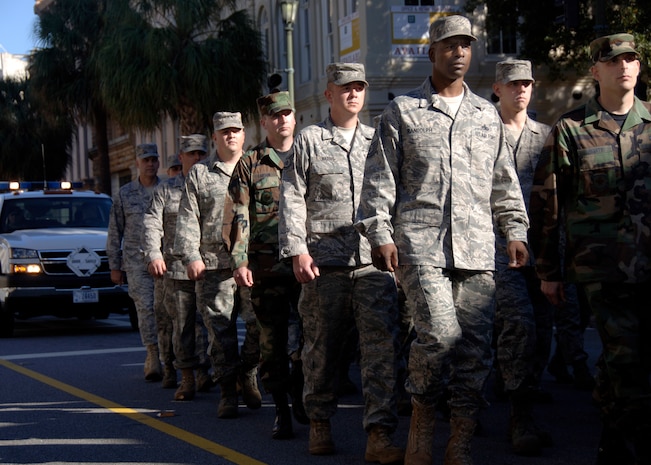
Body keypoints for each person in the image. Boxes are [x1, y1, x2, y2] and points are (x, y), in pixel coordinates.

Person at [355, 15, 530, 465]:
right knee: (438, 335)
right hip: (420, 245)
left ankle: (462, 438)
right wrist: (379, 232)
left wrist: (514, 230)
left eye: (465, 46)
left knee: (473, 349)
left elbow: (503, 182)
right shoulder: (402, 111)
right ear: (431, 52)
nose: (458, 53)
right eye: (448, 45)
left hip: (476, 249)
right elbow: (379, 182)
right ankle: (421, 418)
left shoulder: (487, 115)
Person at [529, 33, 651, 465]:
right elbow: (547, 204)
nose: (624, 67)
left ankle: (614, 440)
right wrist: (548, 271)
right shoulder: (571, 129)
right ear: (596, 71)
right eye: (614, 61)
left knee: (629, 365)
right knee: (626, 360)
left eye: (631, 59)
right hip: (604, 270)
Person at [279, 62, 403, 462]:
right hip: (325, 265)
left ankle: (380, 433)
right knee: (322, 351)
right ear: (329, 94)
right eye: (344, 87)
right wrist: (296, 249)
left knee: (381, 350)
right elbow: (292, 199)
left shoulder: (378, 139)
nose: (353, 93)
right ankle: (319, 422)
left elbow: (394, 198)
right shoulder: (310, 140)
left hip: (372, 264)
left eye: (359, 87)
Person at [225, 91, 308, 440]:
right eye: (275, 115)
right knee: (271, 340)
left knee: (313, 337)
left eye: (287, 113)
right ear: (264, 121)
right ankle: (282, 411)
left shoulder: (309, 153)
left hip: (307, 264)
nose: (283, 120)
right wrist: (239, 259)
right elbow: (239, 214)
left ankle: (302, 387)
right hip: (267, 265)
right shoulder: (251, 162)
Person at [174, 112, 261, 419]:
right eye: (224, 132)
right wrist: (191, 256)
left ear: (244, 134)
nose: (230, 136)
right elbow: (187, 218)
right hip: (213, 267)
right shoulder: (200, 173)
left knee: (259, 327)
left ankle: (247, 372)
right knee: (220, 335)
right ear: (214, 137)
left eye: (235, 130)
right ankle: (227, 392)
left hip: (252, 266)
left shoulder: (257, 167)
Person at [491, 58, 554, 456]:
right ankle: (519, 416)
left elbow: (555, 201)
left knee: (542, 332)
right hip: (497, 251)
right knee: (518, 327)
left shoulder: (545, 135)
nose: (521, 90)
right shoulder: (483, 132)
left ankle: (520, 387)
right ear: (498, 88)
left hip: (541, 251)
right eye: (513, 84)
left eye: (527, 84)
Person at [142, 135, 213, 400]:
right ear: (180, 157)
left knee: (209, 323)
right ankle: (185, 376)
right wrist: (153, 254)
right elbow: (151, 223)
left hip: (210, 267)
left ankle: (207, 371)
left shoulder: (214, 185)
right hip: (176, 269)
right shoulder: (166, 189)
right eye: (191, 154)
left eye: (201, 154)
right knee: (181, 325)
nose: (196, 158)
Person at [107, 143, 162, 382]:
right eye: (145, 160)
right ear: (137, 163)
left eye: (153, 159)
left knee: (167, 312)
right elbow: (114, 231)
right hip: (136, 263)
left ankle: (170, 358)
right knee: (147, 309)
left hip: (165, 262)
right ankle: (153, 355)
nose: (150, 164)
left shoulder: (168, 189)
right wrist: (115, 265)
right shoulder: (124, 194)